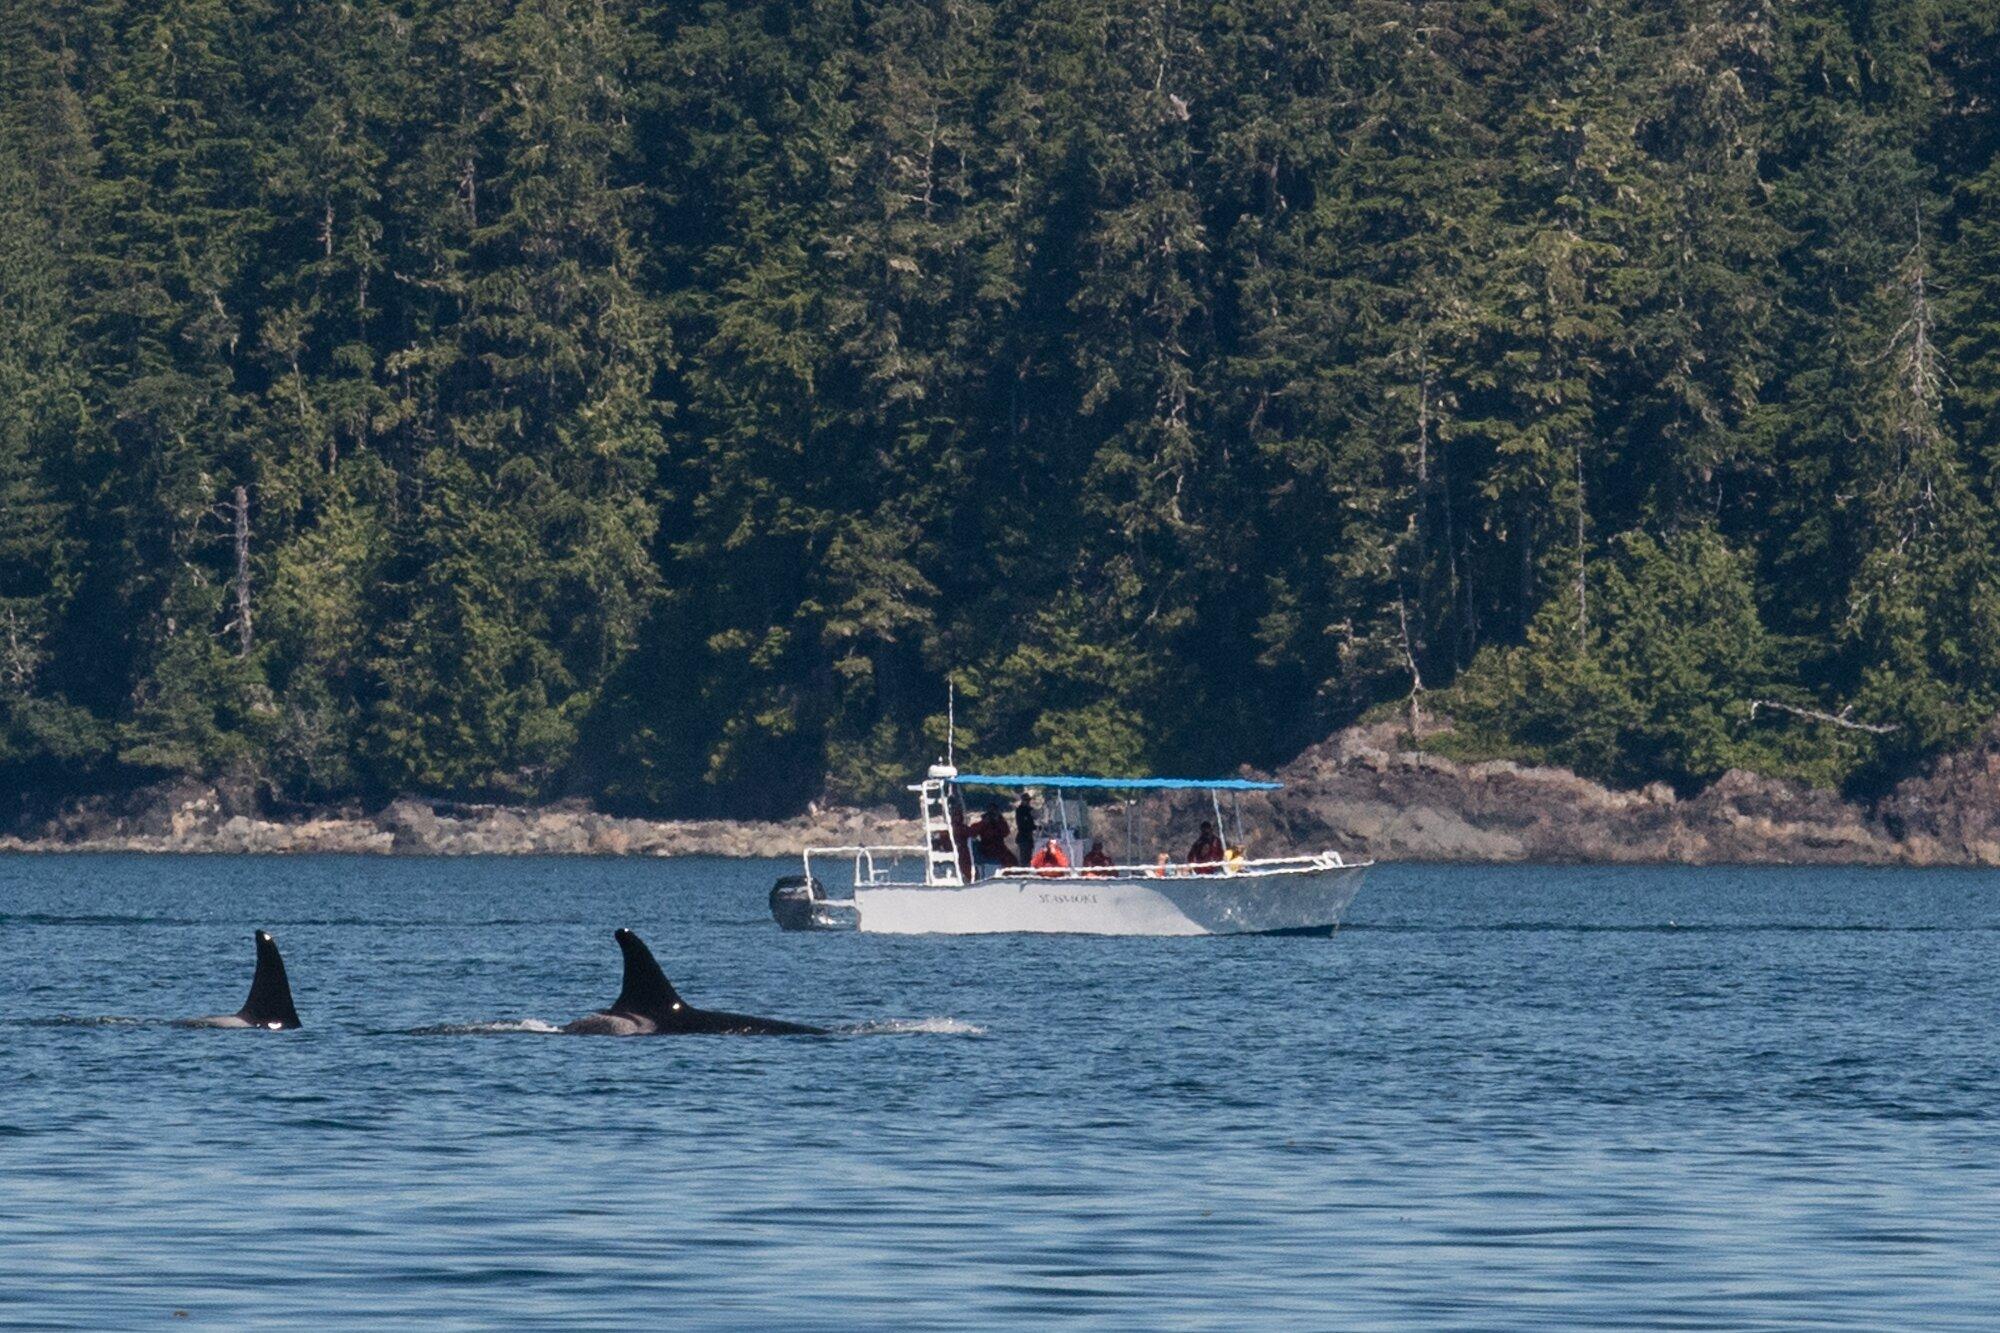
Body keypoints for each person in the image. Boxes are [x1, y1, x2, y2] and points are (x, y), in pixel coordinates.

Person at [969, 801, 1015, 871]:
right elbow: (973, 832)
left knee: (1012, 861)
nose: (992, 816)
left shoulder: (1000, 822)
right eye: (991, 813)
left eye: (994, 812)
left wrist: (999, 821)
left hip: (1000, 847)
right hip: (987, 848)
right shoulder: (983, 823)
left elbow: (1006, 832)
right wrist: (984, 823)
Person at [1013, 791, 1037, 869]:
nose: (1028, 802)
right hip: (1023, 837)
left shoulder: (1029, 810)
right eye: (1026, 800)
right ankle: (1023, 871)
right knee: (1024, 857)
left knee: (1029, 856)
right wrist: (1034, 827)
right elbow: (1023, 824)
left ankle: (1027, 869)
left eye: (1028, 800)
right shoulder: (1020, 810)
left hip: (1029, 837)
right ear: (1023, 801)